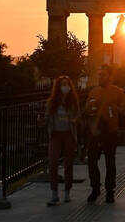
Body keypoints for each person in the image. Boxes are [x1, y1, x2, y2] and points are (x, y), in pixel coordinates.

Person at [85, 64, 125, 204]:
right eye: (99, 75)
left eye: (103, 75)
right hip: (95, 132)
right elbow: (86, 110)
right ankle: (95, 188)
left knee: (110, 162)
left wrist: (116, 108)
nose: (100, 77)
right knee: (92, 160)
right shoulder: (93, 92)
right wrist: (89, 107)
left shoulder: (117, 92)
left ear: (109, 76)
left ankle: (110, 191)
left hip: (110, 132)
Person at [44, 76, 80, 206]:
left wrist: (75, 120)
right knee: (53, 163)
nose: (66, 87)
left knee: (68, 164)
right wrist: (43, 120)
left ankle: (67, 192)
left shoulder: (73, 101)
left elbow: (77, 115)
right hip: (55, 135)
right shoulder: (52, 102)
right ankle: (54, 194)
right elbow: (47, 116)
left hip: (68, 135)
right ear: (58, 87)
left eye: (67, 84)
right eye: (63, 84)